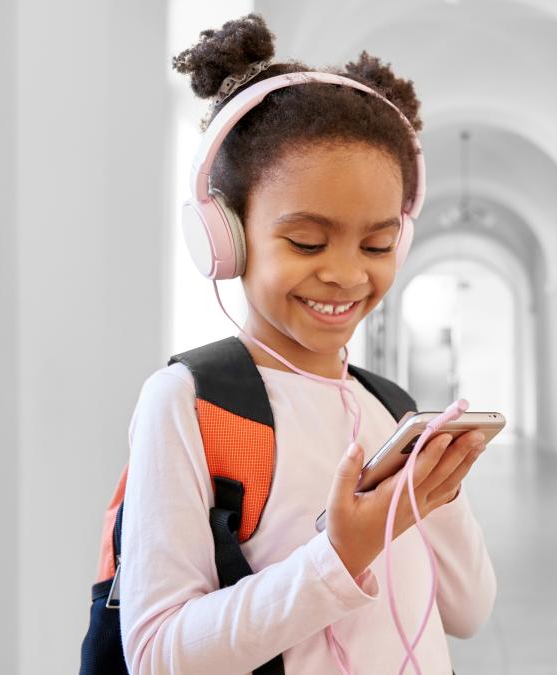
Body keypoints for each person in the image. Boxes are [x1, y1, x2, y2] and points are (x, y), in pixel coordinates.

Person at [119, 13, 497, 674]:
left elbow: (469, 610)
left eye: (377, 244)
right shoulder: (188, 402)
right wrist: (338, 558)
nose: (348, 274)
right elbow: (157, 655)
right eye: (307, 241)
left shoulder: (388, 406)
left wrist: (440, 495)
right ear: (225, 234)